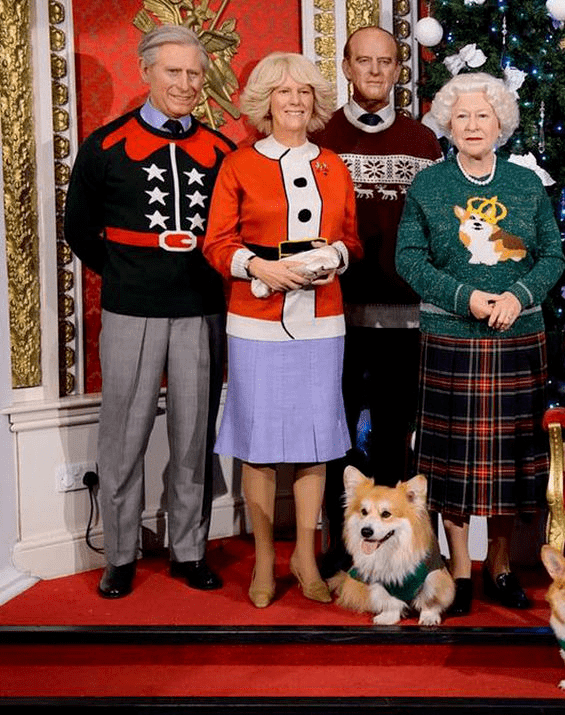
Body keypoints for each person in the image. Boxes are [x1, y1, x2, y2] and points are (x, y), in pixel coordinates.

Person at [64, 24, 234, 599]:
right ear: (146, 72)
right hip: (131, 309)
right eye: (173, 72)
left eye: (194, 73)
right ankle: (119, 554)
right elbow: (79, 228)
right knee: (123, 435)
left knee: (193, 435)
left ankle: (188, 549)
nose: (186, 84)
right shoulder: (105, 145)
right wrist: (127, 274)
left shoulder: (220, 149)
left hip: (201, 309)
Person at [396, 72, 565, 614]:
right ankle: (456, 570)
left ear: (501, 124)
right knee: (452, 466)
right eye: (462, 116)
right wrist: (464, 296)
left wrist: (518, 294)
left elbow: (553, 257)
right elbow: (408, 258)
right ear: (448, 123)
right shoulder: (429, 186)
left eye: (483, 115)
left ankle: (499, 563)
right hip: (452, 338)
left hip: (518, 339)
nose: (472, 125)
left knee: (509, 465)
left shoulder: (525, 184)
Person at [204, 52, 363, 608]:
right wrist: (259, 267)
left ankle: (305, 555)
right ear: (265, 102)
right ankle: (266, 560)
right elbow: (217, 242)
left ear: (315, 102)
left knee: (315, 442)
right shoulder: (240, 164)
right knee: (260, 445)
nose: (295, 102)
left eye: (304, 93)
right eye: (283, 92)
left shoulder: (334, 165)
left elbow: (353, 239)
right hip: (256, 321)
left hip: (322, 321)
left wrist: (335, 254)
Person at [312, 26, 442, 578]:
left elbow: (438, 228)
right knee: (334, 432)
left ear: (398, 70)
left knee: (394, 435)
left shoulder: (423, 142)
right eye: (363, 61)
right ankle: (342, 548)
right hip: (333, 317)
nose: (374, 71)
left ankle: (394, 553)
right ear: (345, 66)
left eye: (385, 62)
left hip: (405, 316)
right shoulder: (319, 134)